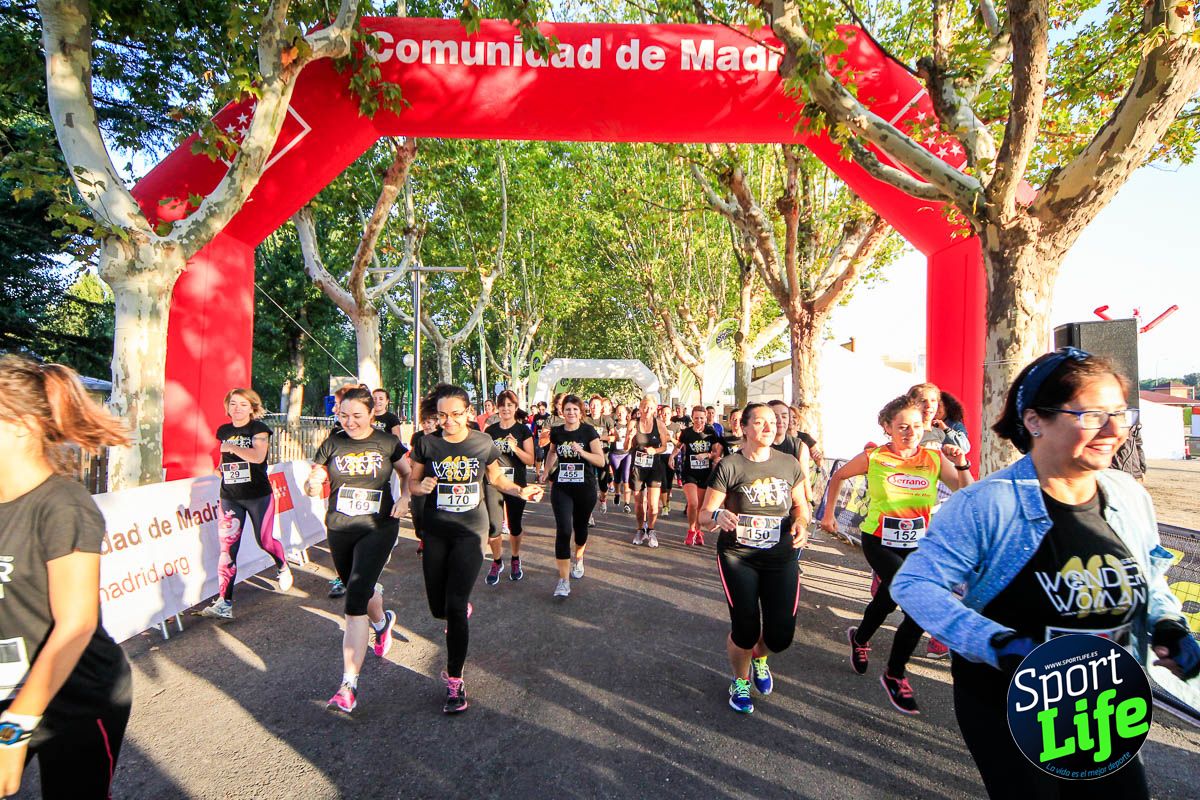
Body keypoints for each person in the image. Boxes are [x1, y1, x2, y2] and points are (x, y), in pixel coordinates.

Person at [893, 348, 1199, 797]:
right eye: (1093, 414)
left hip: (1109, 708)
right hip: (1010, 709)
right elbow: (915, 584)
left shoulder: (1128, 494)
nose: (1115, 430)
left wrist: (1168, 625)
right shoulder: (985, 505)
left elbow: (1149, 581)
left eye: (1121, 413)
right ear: (1035, 420)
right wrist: (998, 644)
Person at [0, 356, 133, 798]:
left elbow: (76, 625)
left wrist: (15, 727)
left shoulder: (62, 504)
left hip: (76, 697)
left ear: (19, 424)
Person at [820, 394, 972, 715]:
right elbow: (838, 476)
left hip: (918, 543)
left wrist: (961, 462)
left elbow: (964, 488)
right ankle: (895, 674)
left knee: (889, 600)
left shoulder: (932, 459)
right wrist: (829, 515)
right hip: (880, 540)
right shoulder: (874, 457)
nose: (910, 433)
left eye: (917, 426)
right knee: (917, 599)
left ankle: (861, 640)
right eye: (902, 426)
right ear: (887, 427)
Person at [409, 385, 543, 712]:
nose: (449, 421)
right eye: (442, 415)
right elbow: (411, 482)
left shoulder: (482, 443)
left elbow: (496, 479)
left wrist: (520, 491)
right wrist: (420, 485)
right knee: (438, 609)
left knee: (454, 607)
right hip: (436, 530)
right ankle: (456, 612)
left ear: (469, 413)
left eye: (456, 414)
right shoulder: (426, 444)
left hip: (471, 531)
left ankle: (455, 680)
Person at [698, 403, 810, 714]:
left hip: (781, 558)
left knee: (781, 636)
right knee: (745, 629)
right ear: (743, 428)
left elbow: (801, 507)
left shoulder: (789, 464)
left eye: (772, 422)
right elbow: (703, 517)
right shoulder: (730, 466)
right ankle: (740, 679)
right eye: (759, 423)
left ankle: (759, 658)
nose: (768, 428)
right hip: (738, 557)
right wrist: (718, 515)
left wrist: (801, 523)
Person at [305, 387, 410, 714]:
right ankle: (382, 624)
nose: (349, 421)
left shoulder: (387, 442)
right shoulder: (332, 442)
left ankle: (348, 685)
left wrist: (406, 498)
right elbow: (317, 474)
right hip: (339, 526)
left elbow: (408, 474)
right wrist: (311, 482)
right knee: (360, 589)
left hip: (378, 525)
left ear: (371, 415)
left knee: (354, 601)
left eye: (357, 416)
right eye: (343, 415)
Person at [200, 388, 293, 620]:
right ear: (227, 407)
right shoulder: (224, 430)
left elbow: (258, 457)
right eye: (233, 404)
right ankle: (225, 602)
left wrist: (231, 448)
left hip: (258, 495)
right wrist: (220, 467)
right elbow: (223, 458)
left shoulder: (259, 429)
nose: (237, 408)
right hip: (230, 496)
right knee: (228, 549)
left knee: (265, 541)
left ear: (252, 408)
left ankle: (281, 564)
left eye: (243, 404)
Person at [545, 395, 607, 598]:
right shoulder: (557, 432)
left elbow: (600, 461)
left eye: (575, 409)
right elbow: (552, 452)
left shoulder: (588, 431)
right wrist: (546, 471)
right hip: (562, 487)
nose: (571, 413)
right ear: (562, 411)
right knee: (563, 530)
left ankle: (578, 558)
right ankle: (563, 580)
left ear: (581, 412)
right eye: (567, 409)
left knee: (580, 529)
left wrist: (582, 452)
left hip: (585, 487)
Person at [484, 391, 534, 585]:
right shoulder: (490, 431)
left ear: (515, 407)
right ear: (498, 407)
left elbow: (530, 459)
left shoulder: (523, 431)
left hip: (516, 482)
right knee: (494, 526)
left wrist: (515, 448)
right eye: (502, 405)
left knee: (514, 525)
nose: (506, 408)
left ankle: (515, 557)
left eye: (509, 405)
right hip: (493, 482)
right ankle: (497, 561)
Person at [628, 396, 669, 547]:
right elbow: (627, 447)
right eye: (645, 407)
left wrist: (655, 450)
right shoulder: (633, 423)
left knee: (652, 504)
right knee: (639, 503)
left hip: (654, 467)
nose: (647, 410)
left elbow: (664, 446)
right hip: (638, 467)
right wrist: (629, 436)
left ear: (655, 409)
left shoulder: (660, 424)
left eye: (651, 408)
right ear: (640, 408)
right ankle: (640, 529)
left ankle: (651, 530)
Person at [679, 405, 723, 545]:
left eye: (702, 418)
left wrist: (708, 455)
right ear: (692, 418)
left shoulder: (711, 432)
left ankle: (697, 531)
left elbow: (717, 452)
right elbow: (679, 445)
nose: (699, 421)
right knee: (693, 503)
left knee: (700, 507)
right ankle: (691, 530)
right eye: (696, 418)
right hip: (689, 472)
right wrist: (671, 457)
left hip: (705, 473)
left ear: (706, 418)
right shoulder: (686, 432)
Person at [408, 401, 440, 556]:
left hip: (437, 481)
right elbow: (412, 459)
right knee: (418, 513)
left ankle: (432, 542)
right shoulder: (417, 437)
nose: (426, 426)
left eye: (429, 422)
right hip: (419, 480)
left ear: (436, 422)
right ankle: (422, 537)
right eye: (424, 422)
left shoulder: (441, 437)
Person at [609, 404, 633, 513]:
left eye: (623, 412)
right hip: (615, 453)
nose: (620, 414)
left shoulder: (630, 425)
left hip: (627, 453)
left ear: (627, 413)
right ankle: (617, 493)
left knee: (626, 477)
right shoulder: (612, 425)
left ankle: (627, 503)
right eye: (618, 411)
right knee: (617, 475)